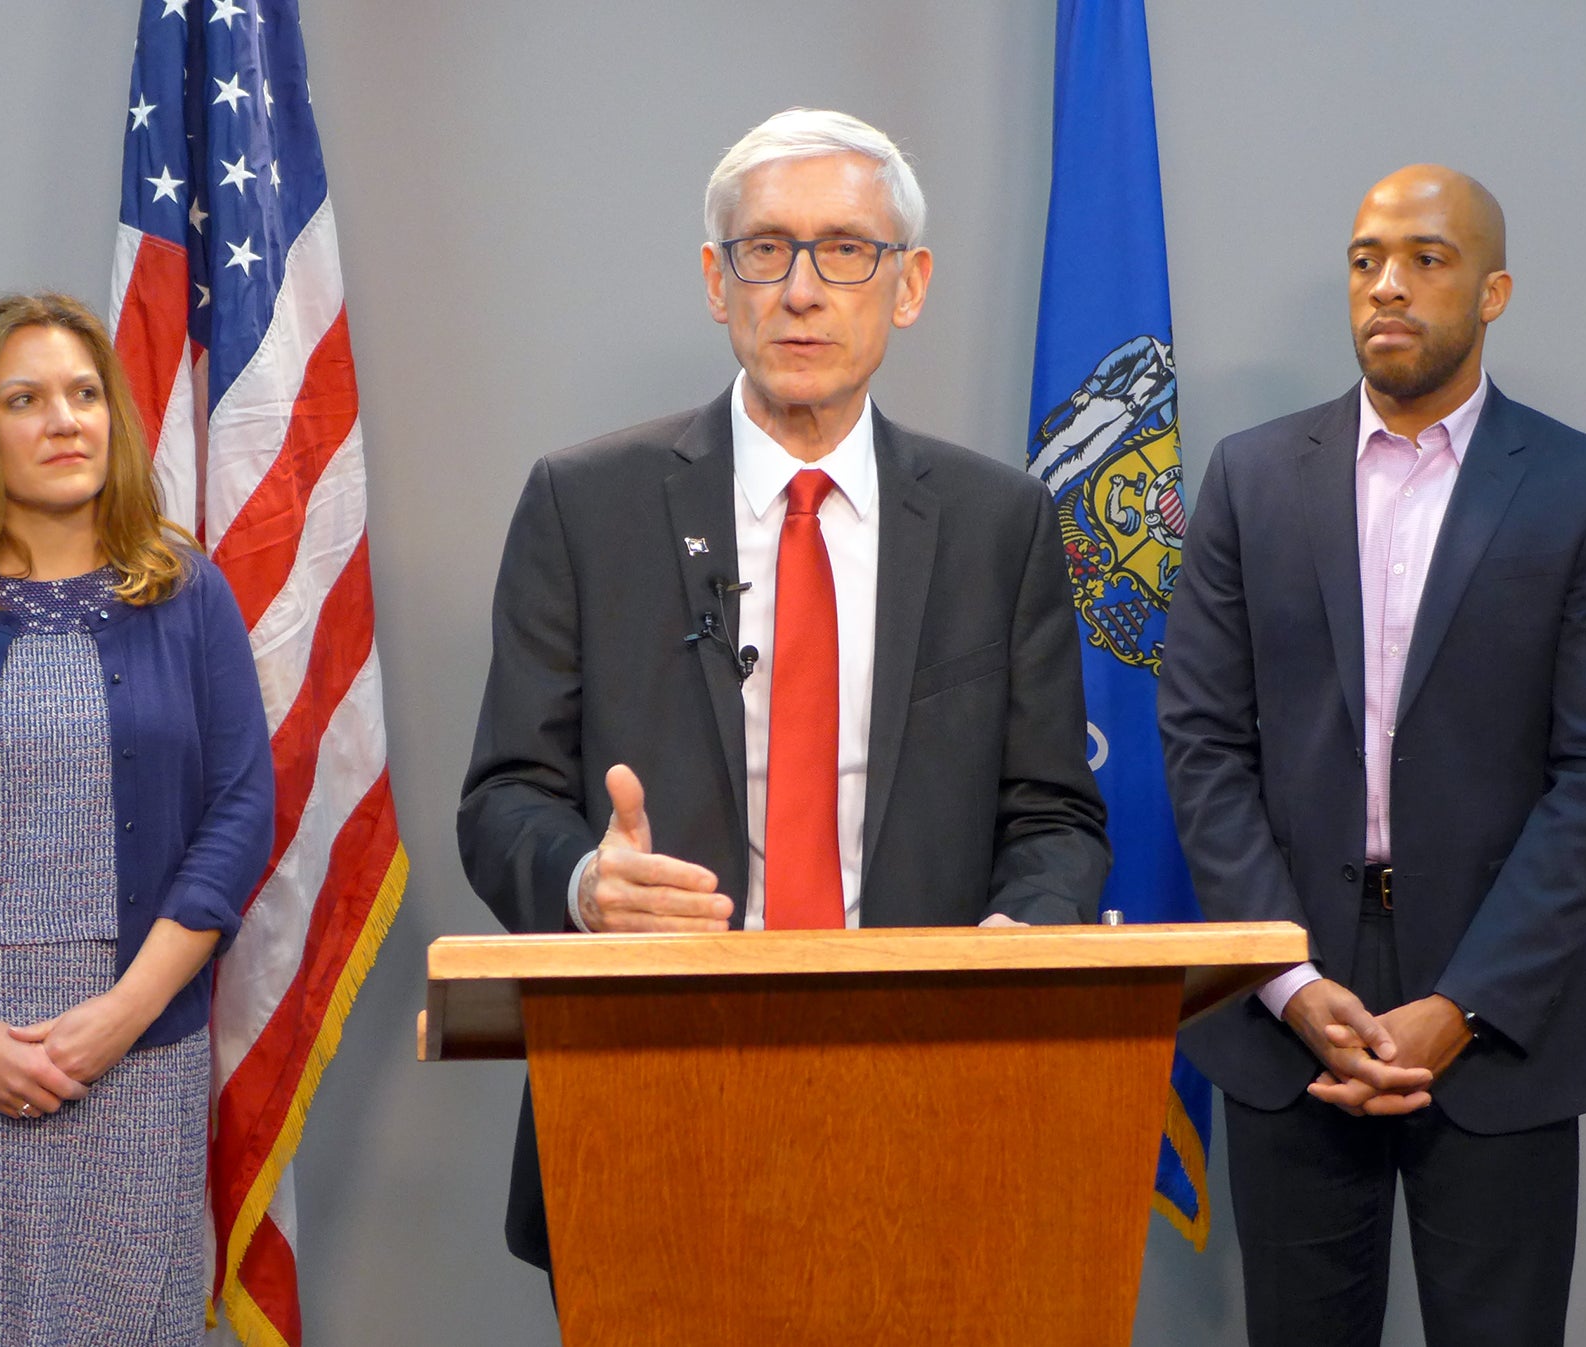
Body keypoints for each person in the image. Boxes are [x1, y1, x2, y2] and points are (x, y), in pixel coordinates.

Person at [458, 108, 1112, 1271]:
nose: (801, 289)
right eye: (766, 250)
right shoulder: (584, 504)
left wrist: (1030, 931)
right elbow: (503, 794)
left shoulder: (995, 524)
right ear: (717, 282)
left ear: (906, 286)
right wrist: (583, 884)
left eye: (844, 250)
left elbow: (1054, 814)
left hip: (929, 1084)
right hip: (652, 1089)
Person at [1159, 166, 1586, 1346]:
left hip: (1498, 1016)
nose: (1386, 285)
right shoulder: (1249, 476)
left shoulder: (1583, 489)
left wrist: (1463, 1005)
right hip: (1290, 1011)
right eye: (1364, 258)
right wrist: (1283, 981)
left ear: (1491, 291)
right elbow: (1198, 739)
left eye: (1426, 259)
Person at [0, 292, 276, 1344]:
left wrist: (119, 1018)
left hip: (134, 1045)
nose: (63, 420)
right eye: (24, 399)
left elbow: (238, 816)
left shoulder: (189, 595)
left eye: (82, 394)